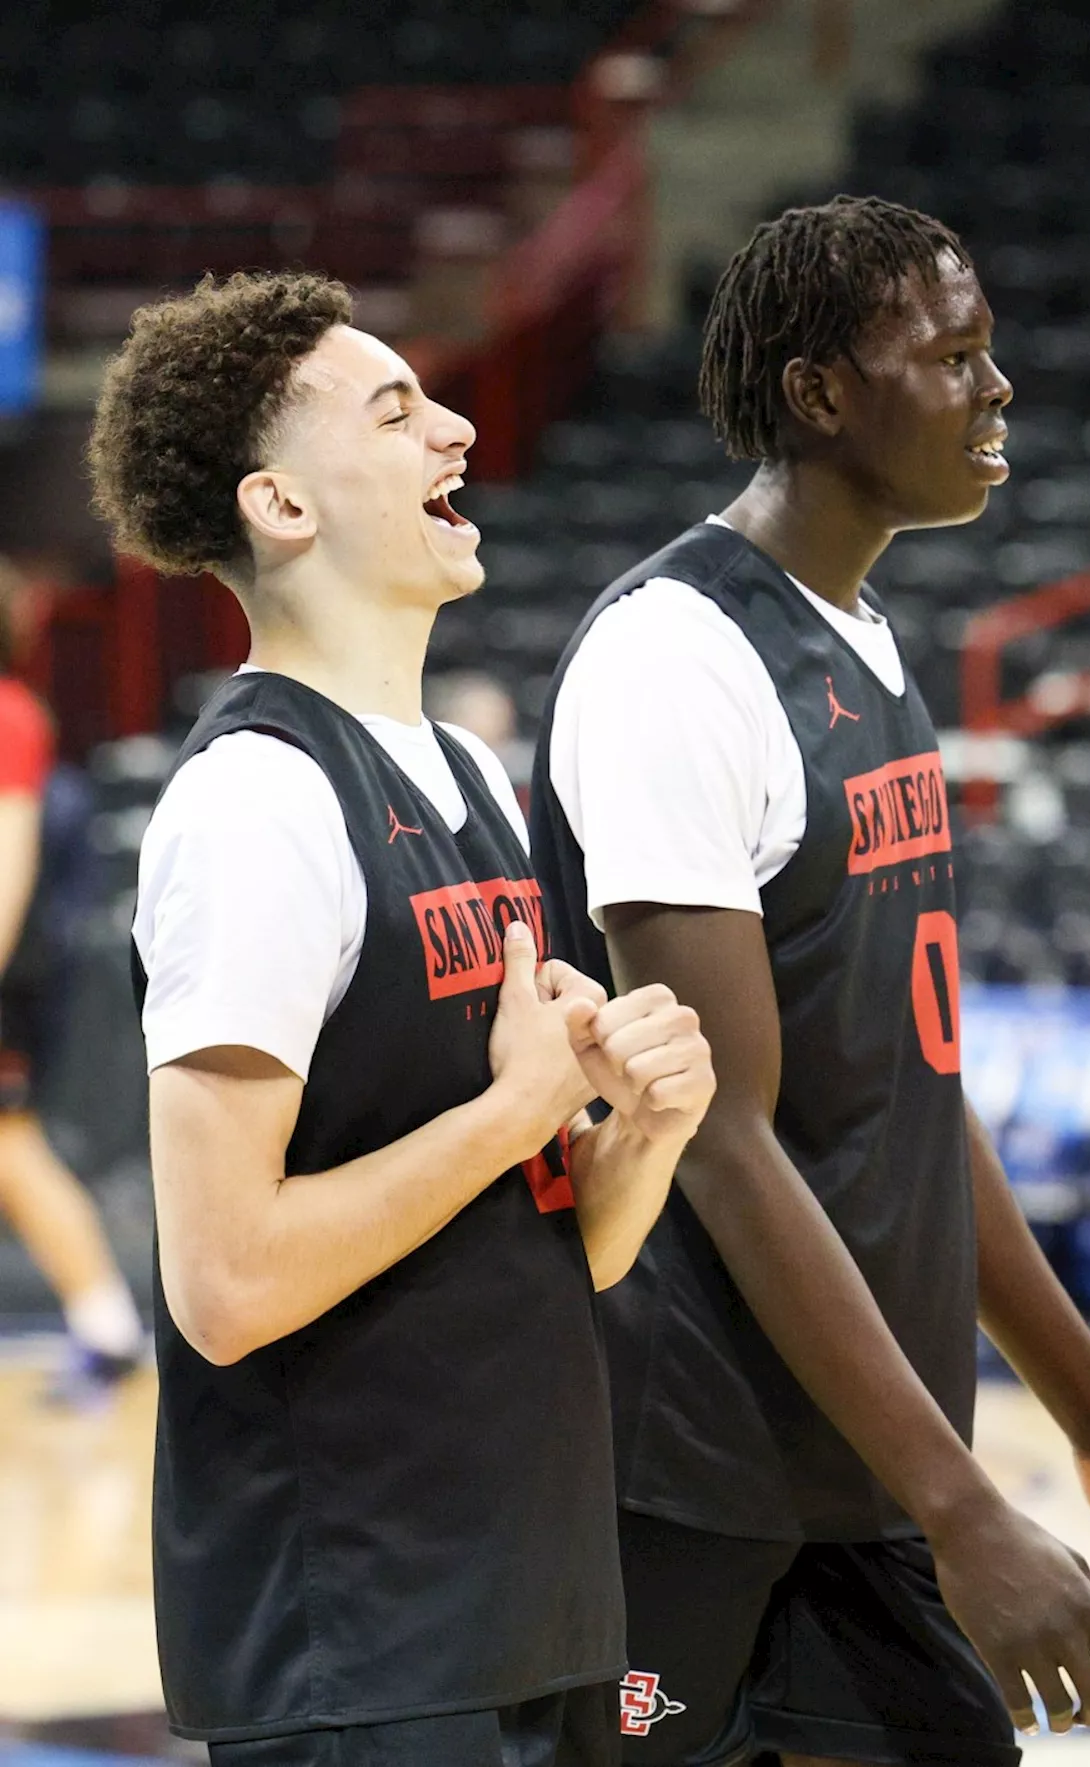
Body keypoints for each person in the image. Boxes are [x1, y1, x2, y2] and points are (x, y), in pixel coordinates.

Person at [530, 197, 1090, 1767]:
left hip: (858, 1461)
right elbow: (717, 1128)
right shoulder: (677, 659)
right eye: (955, 354)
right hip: (684, 1470)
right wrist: (965, 1506)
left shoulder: (859, 644)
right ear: (819, 394)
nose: (998, 391)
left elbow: (917, 1097)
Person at [86, 270, 716, 1767]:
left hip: (532, 1593)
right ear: (284, 506)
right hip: (361, 1635)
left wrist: (640, 1131)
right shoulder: (255, 806)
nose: (454, 427)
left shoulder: (473, 777)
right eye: (397, 408)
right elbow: (226, 1280)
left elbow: (563, 1241)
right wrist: (507, 1111)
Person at [0, 559, 144, 1400]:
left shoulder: (12, 716)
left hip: (12, 977)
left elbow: (8, 862)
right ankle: (105, 1325)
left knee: (14, 1152)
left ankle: (107, 1324)